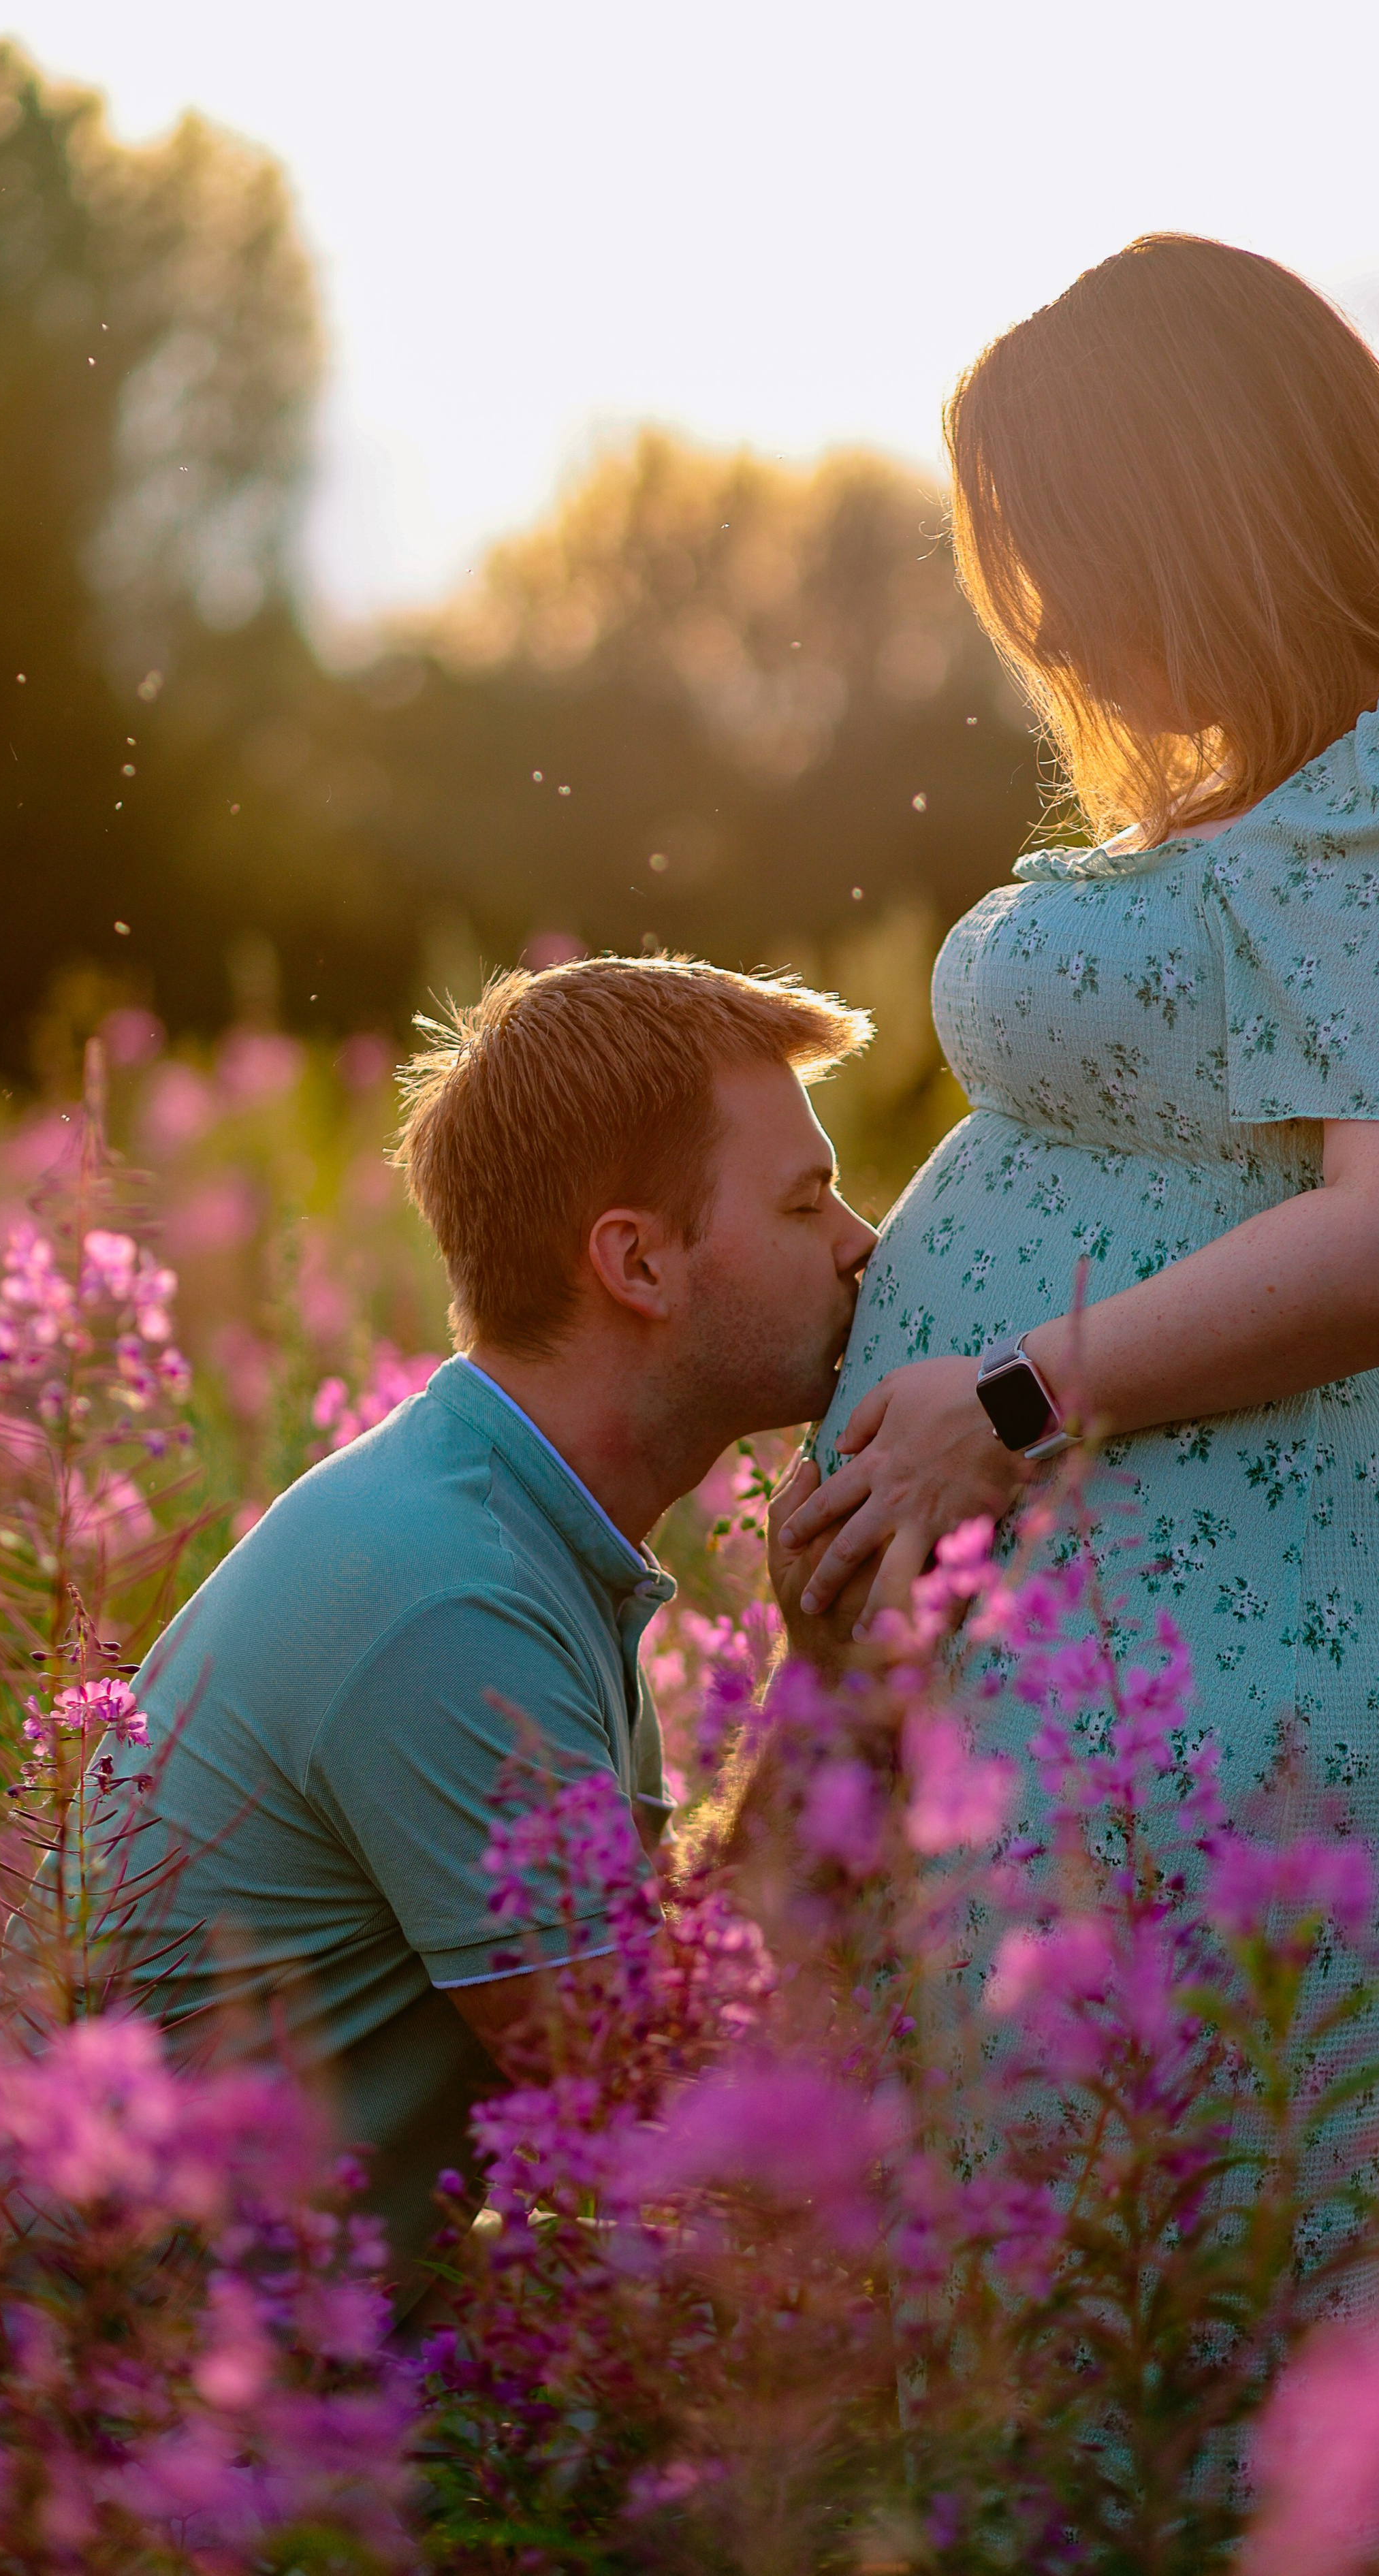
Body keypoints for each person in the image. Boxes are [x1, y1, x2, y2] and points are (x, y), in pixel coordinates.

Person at [776, 236, 1379, 2325]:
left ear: (1209, 507)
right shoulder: (1263, 811)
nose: (1049, 623)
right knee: (1008, 2344)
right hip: (1065, 1675)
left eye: (1063, 548)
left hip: (1219, 1688)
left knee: (1149, 2346)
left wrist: (1005, 1403)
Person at [136, 955, 875, 2310]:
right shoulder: (448, 1600)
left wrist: (815, 1662)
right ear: (637, 1262)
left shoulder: (503, 1524)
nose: (858, 1242)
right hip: (99, 2390)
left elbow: (657, 1987)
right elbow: (650, 2109)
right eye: (802, 1200)